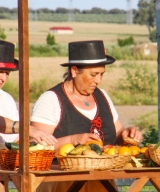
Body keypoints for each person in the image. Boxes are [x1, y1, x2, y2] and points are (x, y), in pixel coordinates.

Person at [30, 40, 143, 192]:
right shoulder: (51, 99)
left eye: (102, 74)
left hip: (103, 185)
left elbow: (116, 135)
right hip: (60, 186)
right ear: (74, 71)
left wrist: (126, 134)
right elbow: (34, 149)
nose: (99, 80)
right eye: (94, 74)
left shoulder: (102, 96)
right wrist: (72, 140)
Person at [0, 40, 57, 145]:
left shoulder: (7, 99)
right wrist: (27, 128)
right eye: (0, 71)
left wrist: (32, 143)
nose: (3, 78)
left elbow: (15, 138)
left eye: (7, 73)